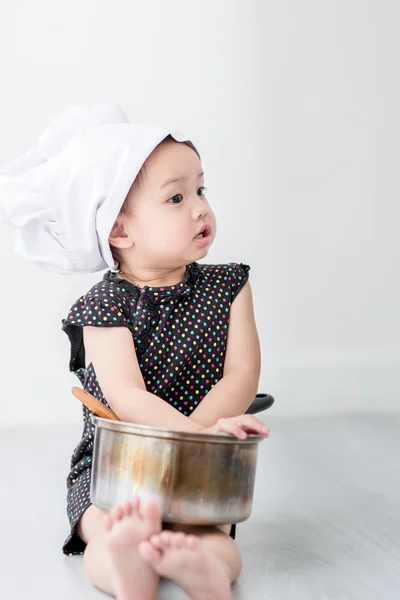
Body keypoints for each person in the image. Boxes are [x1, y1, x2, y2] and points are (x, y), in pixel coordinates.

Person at [0, 104, 270, 600]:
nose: (200, 208)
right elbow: (126, 397)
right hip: (118, 464)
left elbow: (242, 374)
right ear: (119, 231)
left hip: (202, 464)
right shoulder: (104, 306)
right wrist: (200, 435)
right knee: (105, 524)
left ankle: (205, 569)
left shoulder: (230, 286)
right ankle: (124, 565)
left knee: (216, 537)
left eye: (201, 190)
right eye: (176, 197)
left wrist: (205, 441)